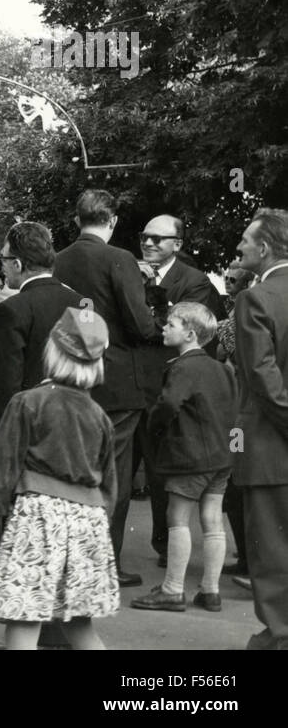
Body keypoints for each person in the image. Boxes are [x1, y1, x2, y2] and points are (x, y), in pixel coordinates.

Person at [0, 308, 120, 650]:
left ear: (52, 351)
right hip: (89, 521)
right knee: (80, 626)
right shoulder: (99, 416)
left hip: (38, 517)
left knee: (24, 618)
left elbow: (2, 469)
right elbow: (110, 485)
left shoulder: (28, 402)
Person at [53, 189, 158, 586]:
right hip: (117, 382)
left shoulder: (58, 260)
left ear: (77, 219)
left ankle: (71, 560)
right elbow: (139, 323)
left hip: (71, 376)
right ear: (111, 220)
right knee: (113, 475)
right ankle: (102, 564)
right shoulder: (120, 259)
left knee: (75, 470)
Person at [0, 222, 84, 546]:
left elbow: (4, 384)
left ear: (17, 264)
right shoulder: (79, 302)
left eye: (3, 258)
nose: (1, 265)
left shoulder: (13, 309)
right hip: (72, 423)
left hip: (26, 429)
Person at [131, 303, 237, 614]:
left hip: (188, 455)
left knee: (177, 519)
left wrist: (154, 428)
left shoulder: (182, 367)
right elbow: (235, 412)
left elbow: (167, 405)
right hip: (221, 457)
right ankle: (210, 590)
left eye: (171, 324)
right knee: (213, 521)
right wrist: (235, 451)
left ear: (190, 334)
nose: (163, 328)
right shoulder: (223, 369)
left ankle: (173, 589)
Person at [134, 214, 226, 565]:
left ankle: (165, 551)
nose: (150, 243)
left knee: (163, 476)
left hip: (171, 389)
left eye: (159, 238)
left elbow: (176, 329)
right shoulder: (133, 273)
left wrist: (149, 300)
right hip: (135, 386)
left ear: (178, 244)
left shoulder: (195, 281)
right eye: (145, 236)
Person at [231, 208, 288, 649]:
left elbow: (263, 380)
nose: (239, 247)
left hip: (271, 449)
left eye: (246, 242)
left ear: (265, 248)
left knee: (271, 557)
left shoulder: (256, 299)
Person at [216, 262, 254, 577]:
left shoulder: (242, 308)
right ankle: (245, 554)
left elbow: (226, 346)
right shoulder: (238, 307)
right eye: (226, 277)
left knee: (235, 479)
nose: (228, 281)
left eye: (233, 278)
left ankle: (247, 556)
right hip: (238, 413)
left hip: (240, 417)